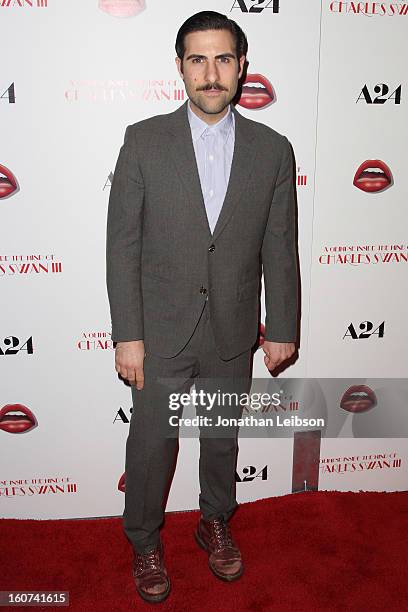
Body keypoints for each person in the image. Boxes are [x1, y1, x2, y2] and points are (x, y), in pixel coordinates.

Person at [106, 10, 298, 604]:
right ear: (180, 68)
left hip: (233, 330)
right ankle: (143, 539)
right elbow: (124, 246)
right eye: (197, 60)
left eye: (222, 59)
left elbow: (279, 245)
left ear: (242, 67)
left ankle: (215, 520)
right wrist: (128, 335)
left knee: (221, 440)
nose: (210, 73)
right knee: (151, 446)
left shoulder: (273, 150)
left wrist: (282, 327)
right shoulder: (143, 140)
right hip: (160, 333)